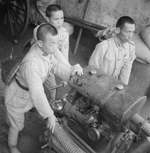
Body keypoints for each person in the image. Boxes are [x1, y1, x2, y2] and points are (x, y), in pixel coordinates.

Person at [5, 23, 83, 153]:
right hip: (17, 96)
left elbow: (56, 66)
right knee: (16, 125)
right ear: (40, 44)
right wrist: (50, 115)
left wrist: (72, 72)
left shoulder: (46, 51)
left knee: (17, 118)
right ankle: (12, 146)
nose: (56, 46)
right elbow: (37, 93)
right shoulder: (32, 64)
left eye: (57, 42)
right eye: (52, 43)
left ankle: (11, 122)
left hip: (27, 93)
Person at [33, 4, 70, 100]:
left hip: (50, 64)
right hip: (37, 62)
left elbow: (64, 54)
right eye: (56, 19)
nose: (60, 22)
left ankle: (52, 104)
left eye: (62, 18)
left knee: (52, 87)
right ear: (48, 18)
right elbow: (56, 52)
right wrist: (69, 72)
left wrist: (68, 71)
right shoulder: (39, 30)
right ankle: (32, 102)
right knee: (33, 85)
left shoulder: (64, 33)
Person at [89, 16, 136, 85]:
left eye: (133, 32)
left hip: (113, 86)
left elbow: (126, 72)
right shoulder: (104, 46)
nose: (131, 35)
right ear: (117, 30)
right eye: (128, 32)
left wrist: (121, 88)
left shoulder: (130, 48)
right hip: (98, 84)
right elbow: (91, 69)